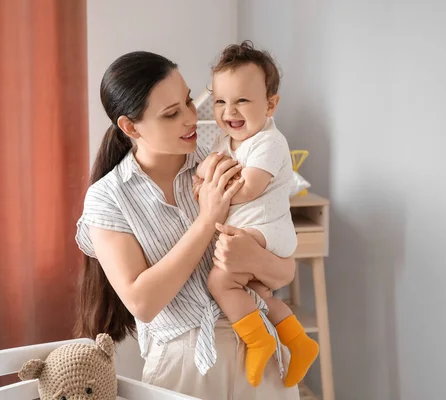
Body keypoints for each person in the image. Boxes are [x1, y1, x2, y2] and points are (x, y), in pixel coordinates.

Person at [74, 51, 299, 400]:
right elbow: (142, 302)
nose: (192, 117)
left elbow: (284, 272)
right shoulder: (108, 199)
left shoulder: (222, 162)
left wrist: (252, 258)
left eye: (188, 101)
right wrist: (208, 219)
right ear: (130, 127)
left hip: (260, 348)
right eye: (171, 113)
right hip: (183, 367)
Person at [192, 41, 319, 388]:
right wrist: (208, 173)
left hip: (265, 230)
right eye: (220, 101)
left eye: (242, 100)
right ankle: (299, 342)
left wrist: (207, 177)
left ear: (271, 104)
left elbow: (246, 189)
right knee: (258, 296)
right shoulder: (227, 144)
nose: (229, 111)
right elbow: (217, 181)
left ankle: (258, 340)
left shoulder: (268, 142)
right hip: (253, 230)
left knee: (219, 280)